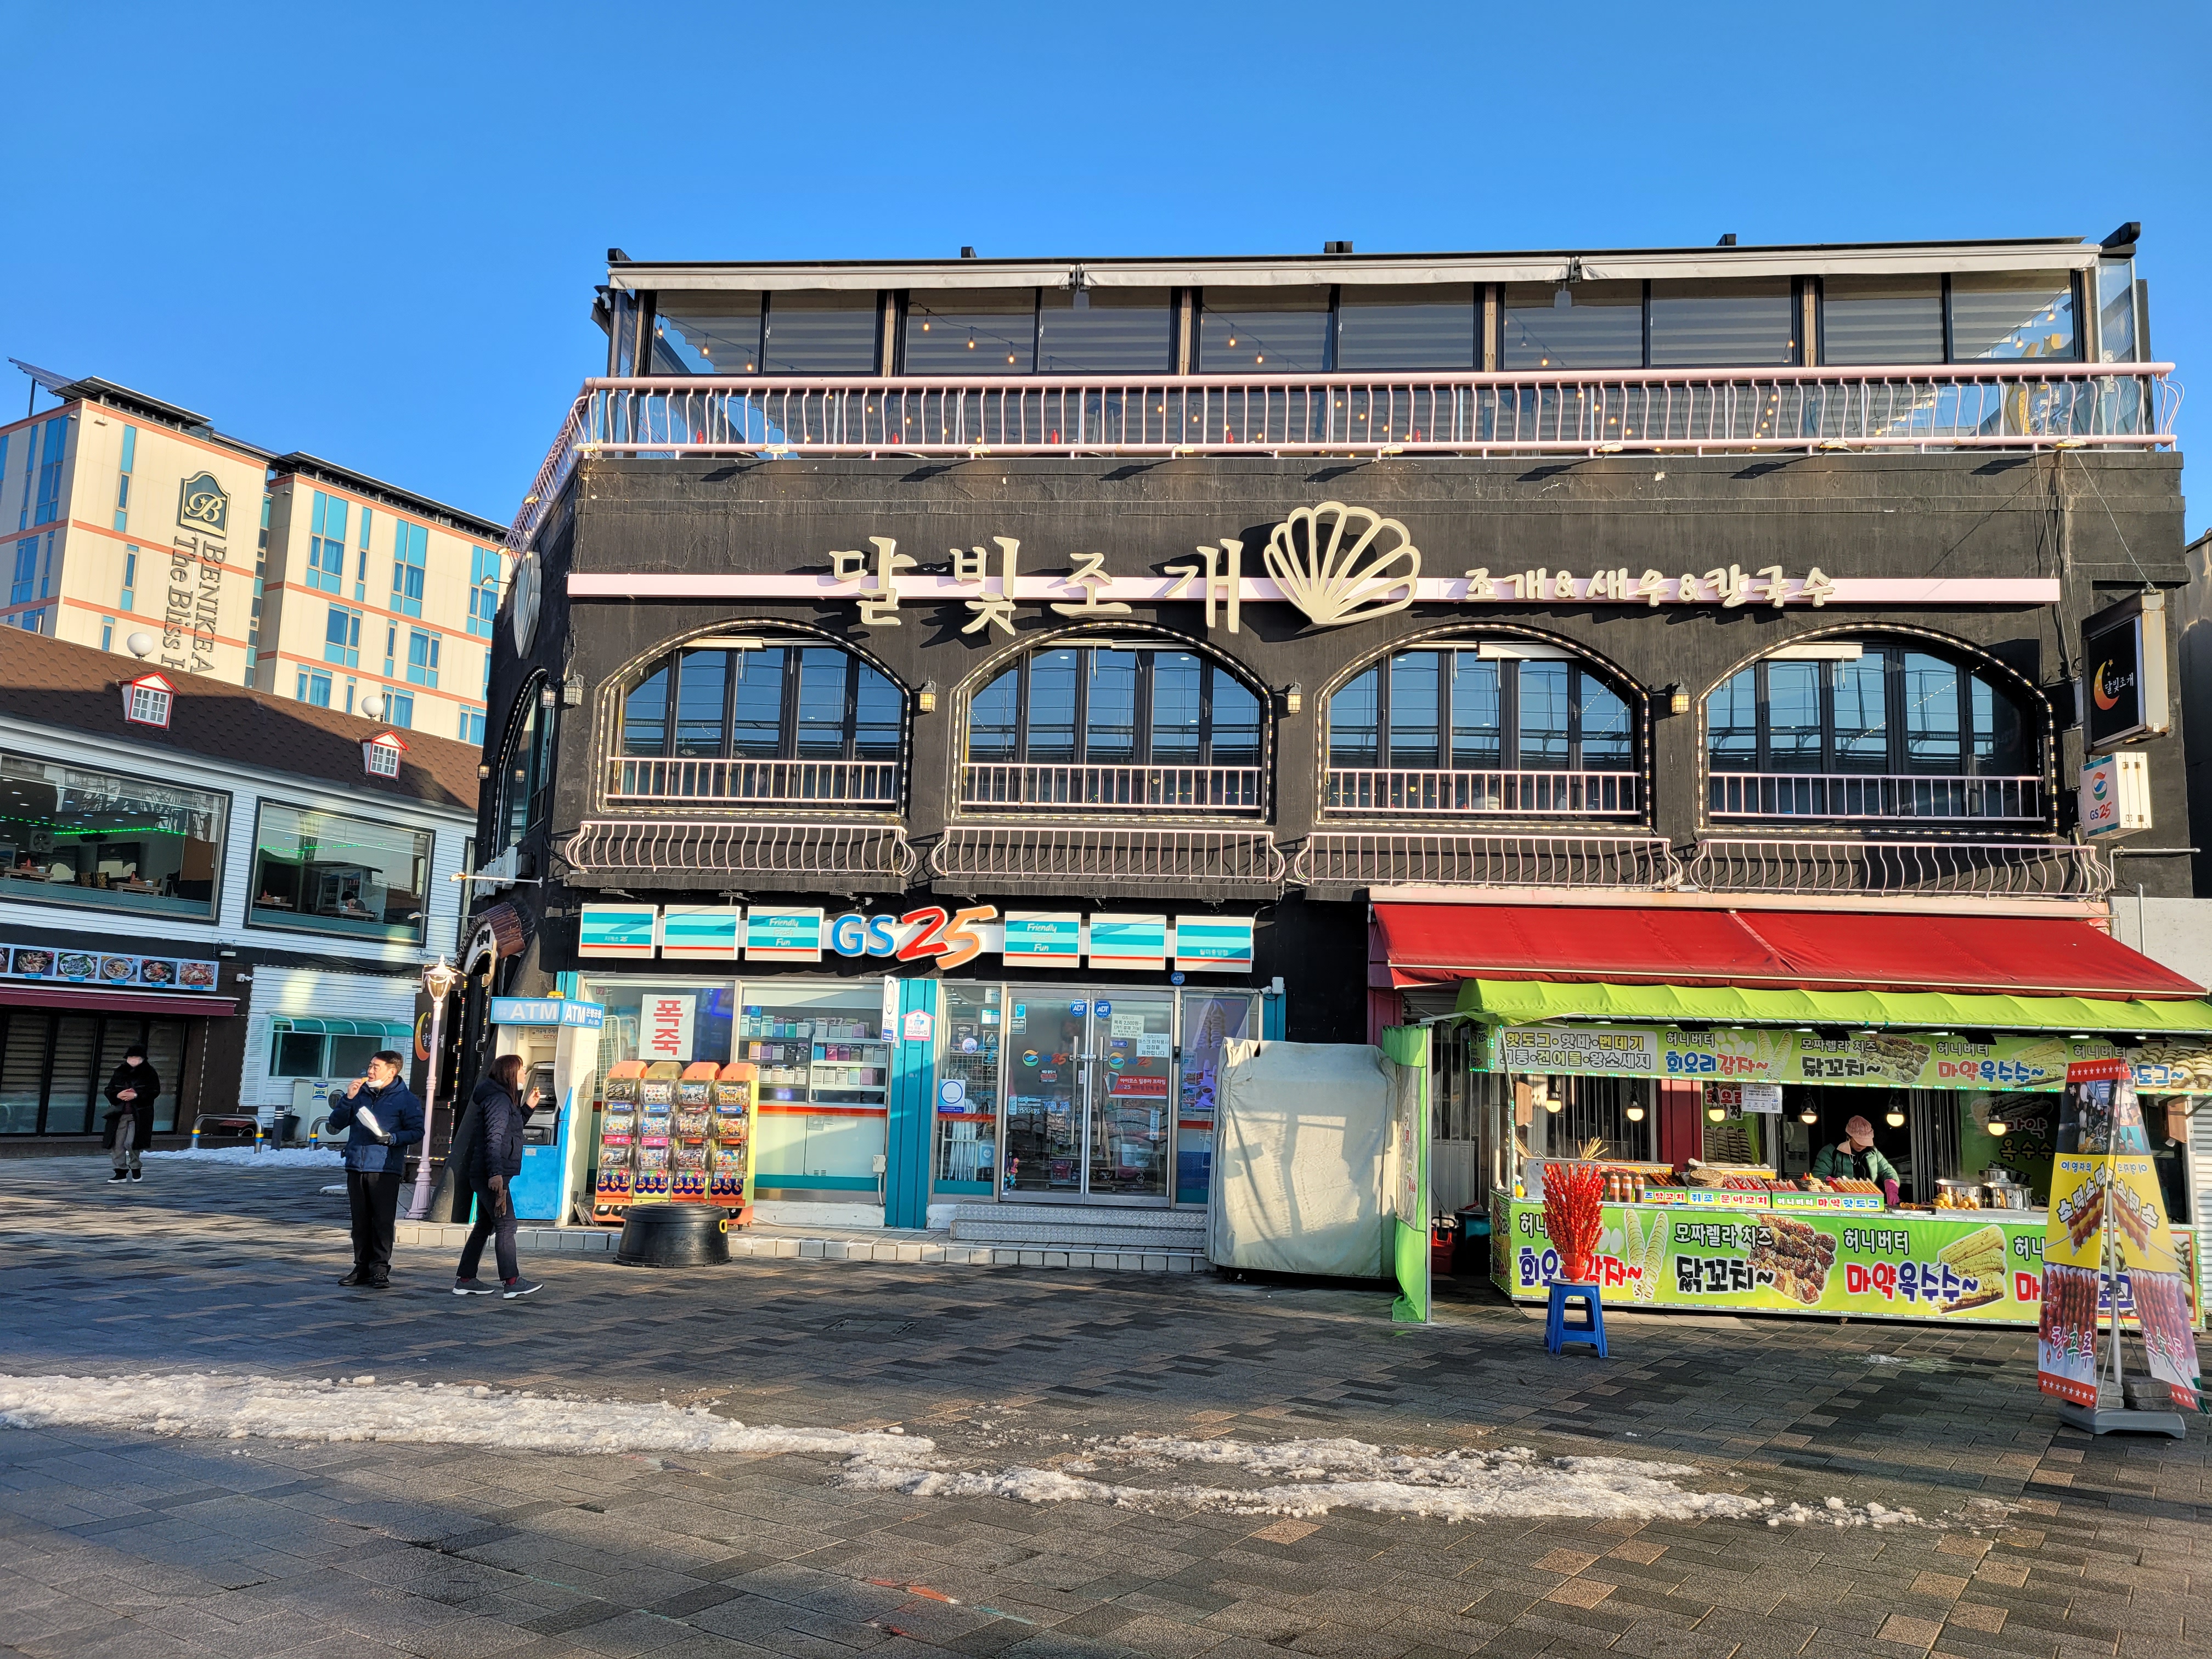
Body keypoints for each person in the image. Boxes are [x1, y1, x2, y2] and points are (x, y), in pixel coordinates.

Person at [326, 1050, 425, 1288]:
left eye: (375, 1067)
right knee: (360, 1222)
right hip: (356, 1165)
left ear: (392, 1071)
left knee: (382, 1221)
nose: (370, 1071)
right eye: (369, 1066)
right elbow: (336, 1123)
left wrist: (392, 1138)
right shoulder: (359, 1093)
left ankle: (380, 1269)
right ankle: (361, 1268)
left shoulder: (406, 1099)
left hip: (385, 1168)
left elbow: (416, 1131)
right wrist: (348, 1099)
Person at [453, 1055, 544, 1300]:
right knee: (506, 1225)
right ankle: (512, 1281)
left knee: (486, 1224)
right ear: (510, 1072)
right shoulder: (498, 1098)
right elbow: (494, 1138)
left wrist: (528, 1108)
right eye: (521, 1069)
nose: (524, 1073)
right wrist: (496, 1175)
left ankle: (466, 1279)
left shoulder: (502, 1097)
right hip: (491, 1175)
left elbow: (511, 1129)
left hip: (489, 1173)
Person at [1812, 1114, 1904, 1206]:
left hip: (1869, 1202)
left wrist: (1892, 1188)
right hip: (1839, 1202)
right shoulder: (1830, 1152)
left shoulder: (1873, 1152)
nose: (1862, 1146)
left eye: (1865, 1142)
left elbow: (1888, 1171)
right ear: (1849, 1136)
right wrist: (1836, 1183)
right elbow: (1818, 1175)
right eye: (1859, 1142)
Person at [101, 1044, 160, 1184]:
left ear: (143, 1059)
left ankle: (135, 1167)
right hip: (119, 1113)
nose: (133, 1060)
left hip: (139, 1114)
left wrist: (136, 1095)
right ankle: (120, 1172)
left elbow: (154, 1091)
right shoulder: (120, 1072)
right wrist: (118, 1095)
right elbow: (109, 1090)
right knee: (117, 1145)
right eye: (131, 1057)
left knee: (131, 1143)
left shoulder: (149, 1072)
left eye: (136, 1057)